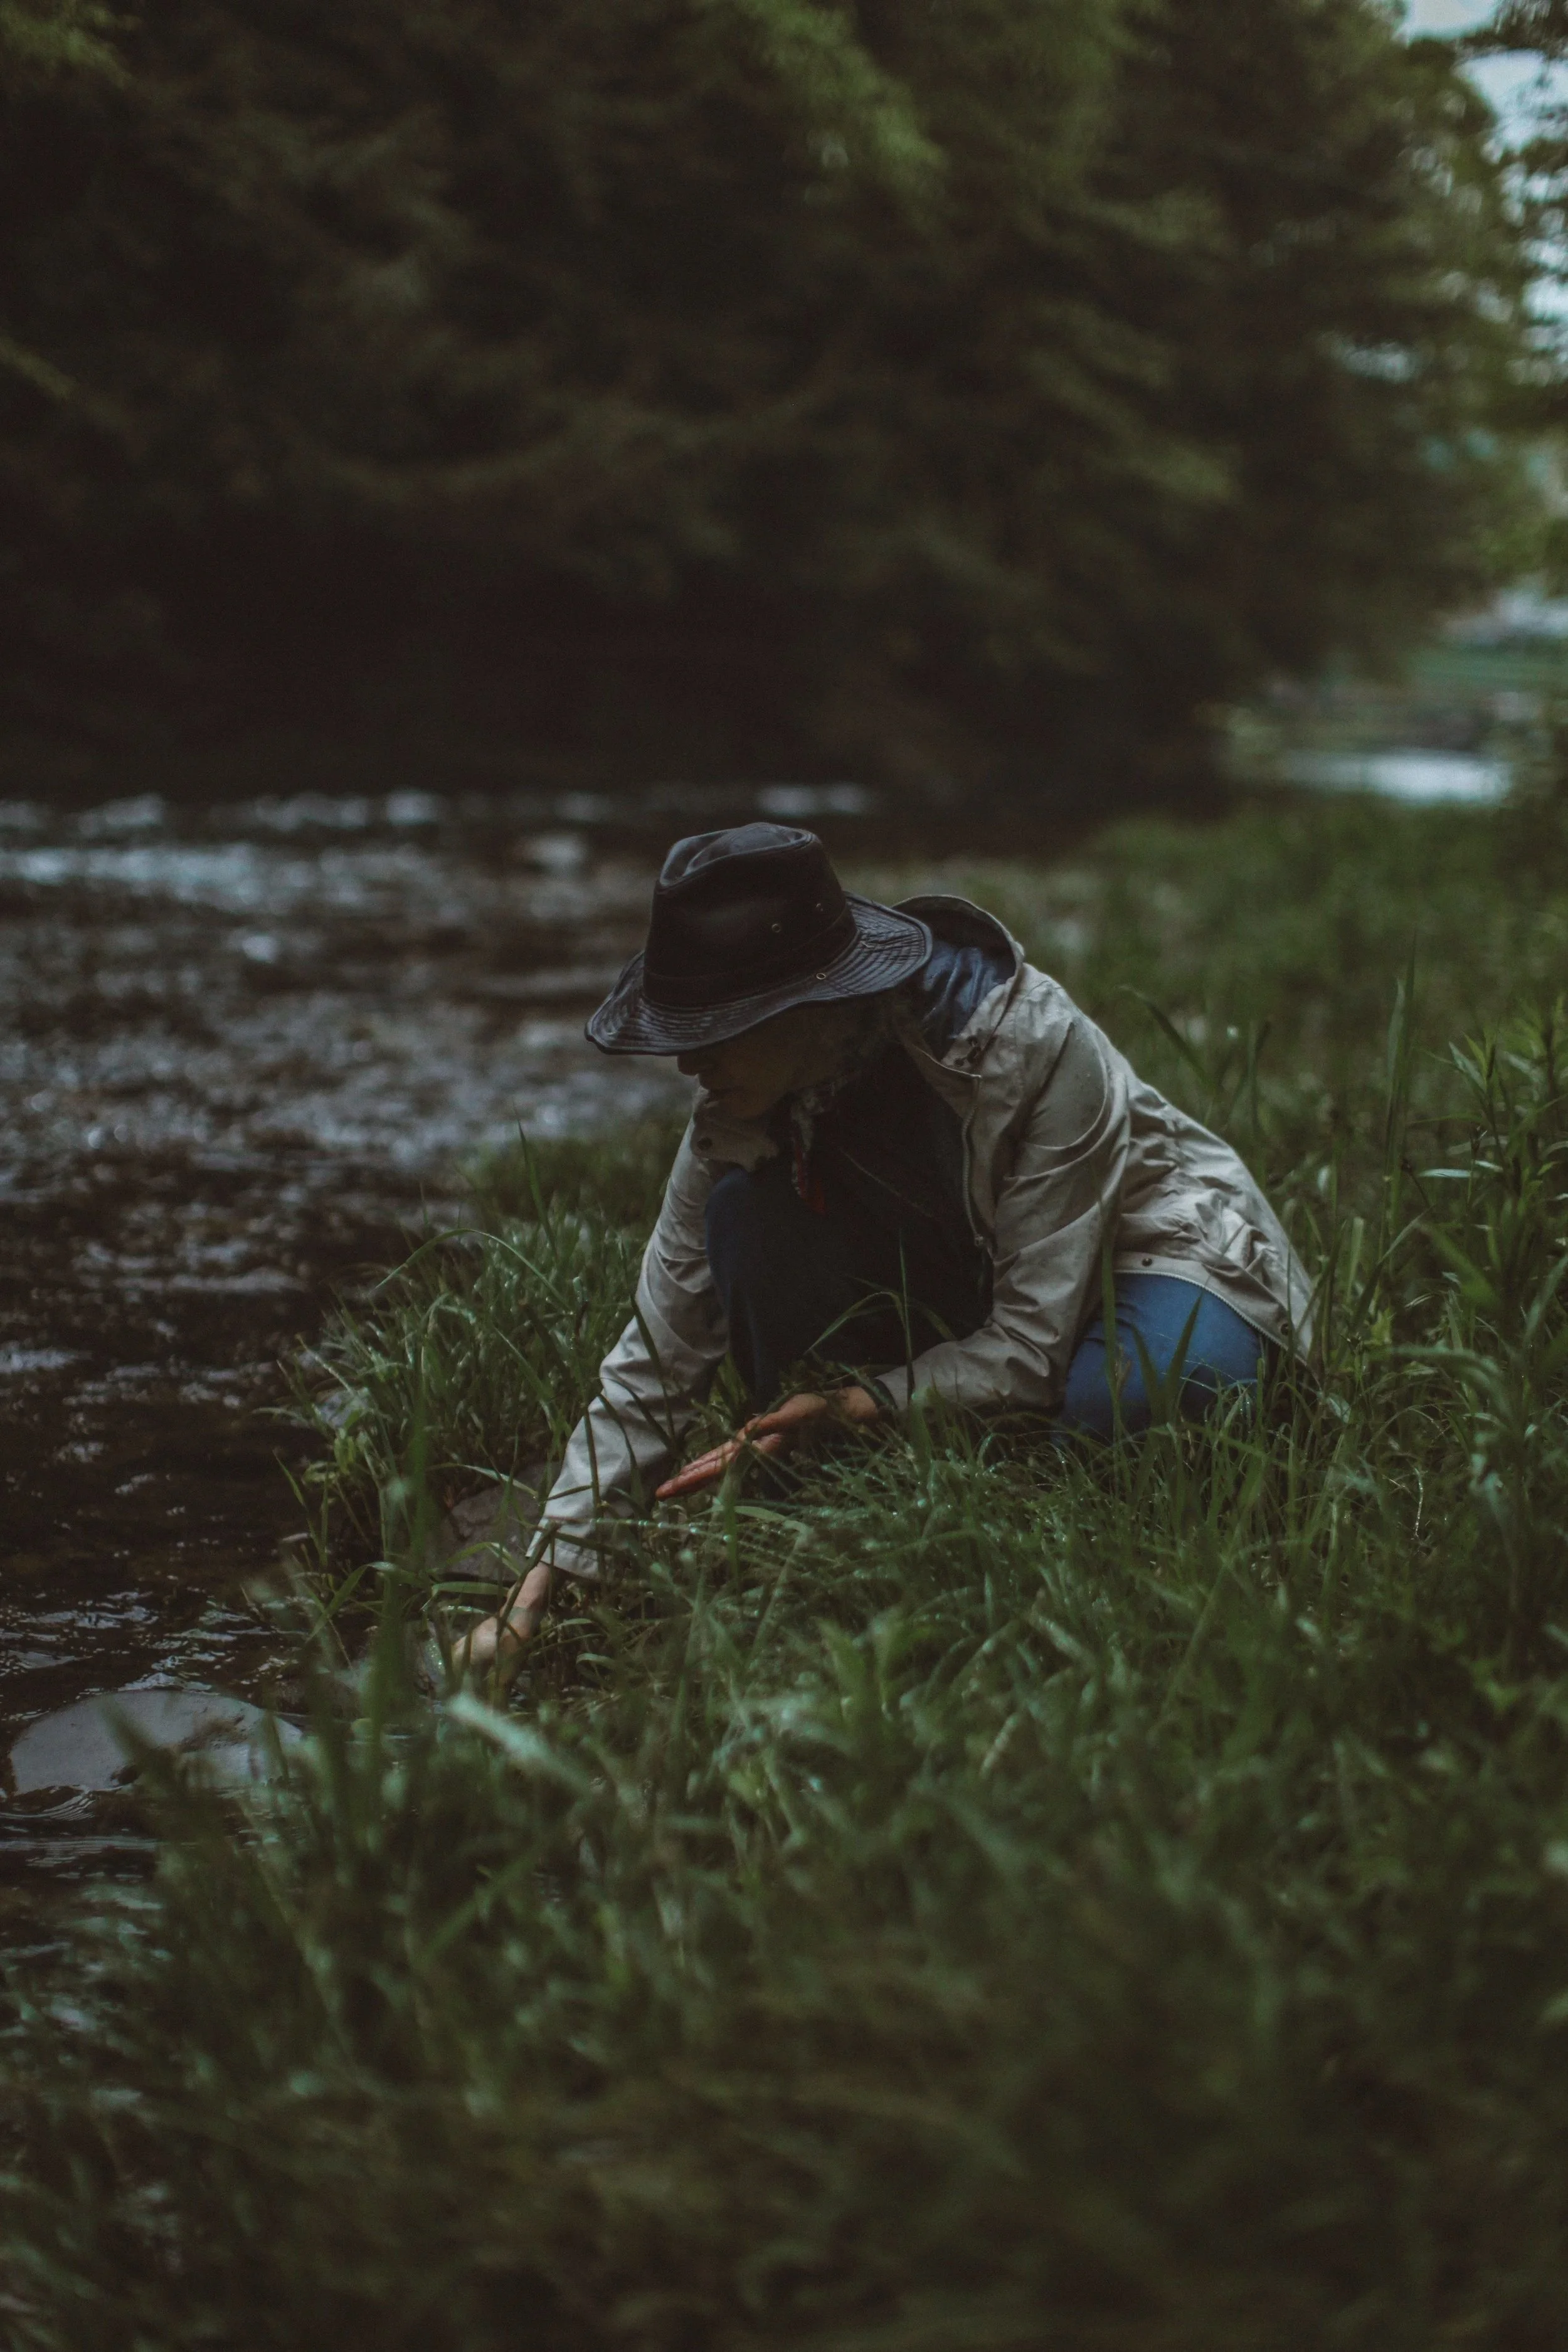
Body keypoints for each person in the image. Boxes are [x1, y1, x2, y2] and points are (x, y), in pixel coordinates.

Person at [461, 823, 1311, 1671]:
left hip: (1155, 1253)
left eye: (713, 1030)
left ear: (806, 1006)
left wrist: (853, 1405)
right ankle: (854, 1471)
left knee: (1123, 1399)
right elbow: (657, 1351)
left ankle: (990, 1470)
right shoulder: (736, 1111)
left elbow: (1029, 1341)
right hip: (986, 1280)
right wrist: (537, 1586)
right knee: (741, 1220)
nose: (689, 1062)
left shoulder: (1033, 1044)